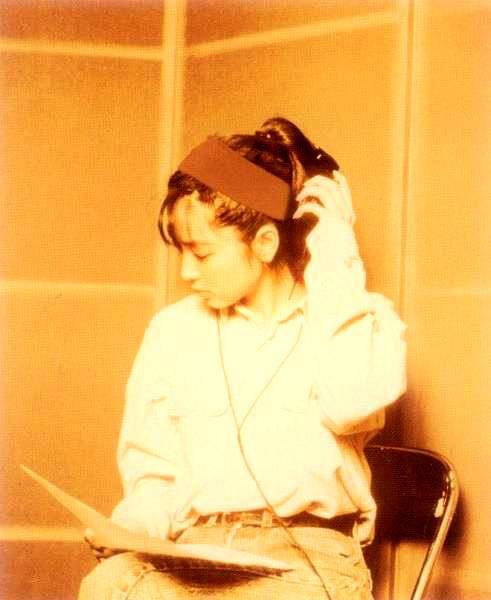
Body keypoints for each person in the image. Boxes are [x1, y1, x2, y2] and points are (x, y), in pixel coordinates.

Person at [79, 117, 406, 600]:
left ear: (265, 243)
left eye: (202, 254)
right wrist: (132, 529)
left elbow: (350, 404)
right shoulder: (173, 331)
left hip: (307, 560)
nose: (186, 272)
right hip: (198, 550)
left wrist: (336, 253)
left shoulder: (350, 317)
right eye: (181, 253)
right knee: (108, 586)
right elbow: (155, 475)